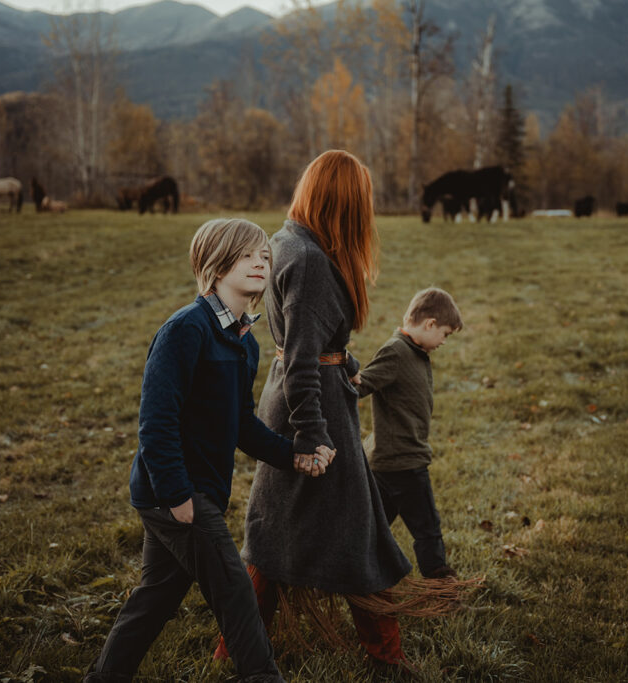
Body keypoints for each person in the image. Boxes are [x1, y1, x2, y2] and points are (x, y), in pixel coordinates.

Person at [214, 149, 455, 672]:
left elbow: (309, 346)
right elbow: (302, 360)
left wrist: (343, 360)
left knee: (277, 530)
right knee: (354, 533)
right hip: (311, 410)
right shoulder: (311, 261)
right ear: (344, 201)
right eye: (362, 201)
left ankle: (232, 650)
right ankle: (384, 657)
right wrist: (313, 438)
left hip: (301, 396)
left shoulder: (288, 241)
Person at [84, 218, 334, 683]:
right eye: (246, 256)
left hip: (194, 493)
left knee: (154, 600)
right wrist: (178, 495)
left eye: (264, 256)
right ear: (216, 264)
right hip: (176, 495)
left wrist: (293, 454)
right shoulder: (186, 330)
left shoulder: (244, 341)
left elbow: (240, 425)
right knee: (236, 592)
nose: (260, 263)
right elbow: (155, 422)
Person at [353, 287, 463, 579]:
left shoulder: (415, 351)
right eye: (445, 334)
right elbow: (360, 386)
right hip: (405, 461)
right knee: (428, 528)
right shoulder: (397, 351)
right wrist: (343, 374)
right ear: (429, 324)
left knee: (373, 531)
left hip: (389, 461)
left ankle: (357, 575)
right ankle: (441, 586)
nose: (443, 341)